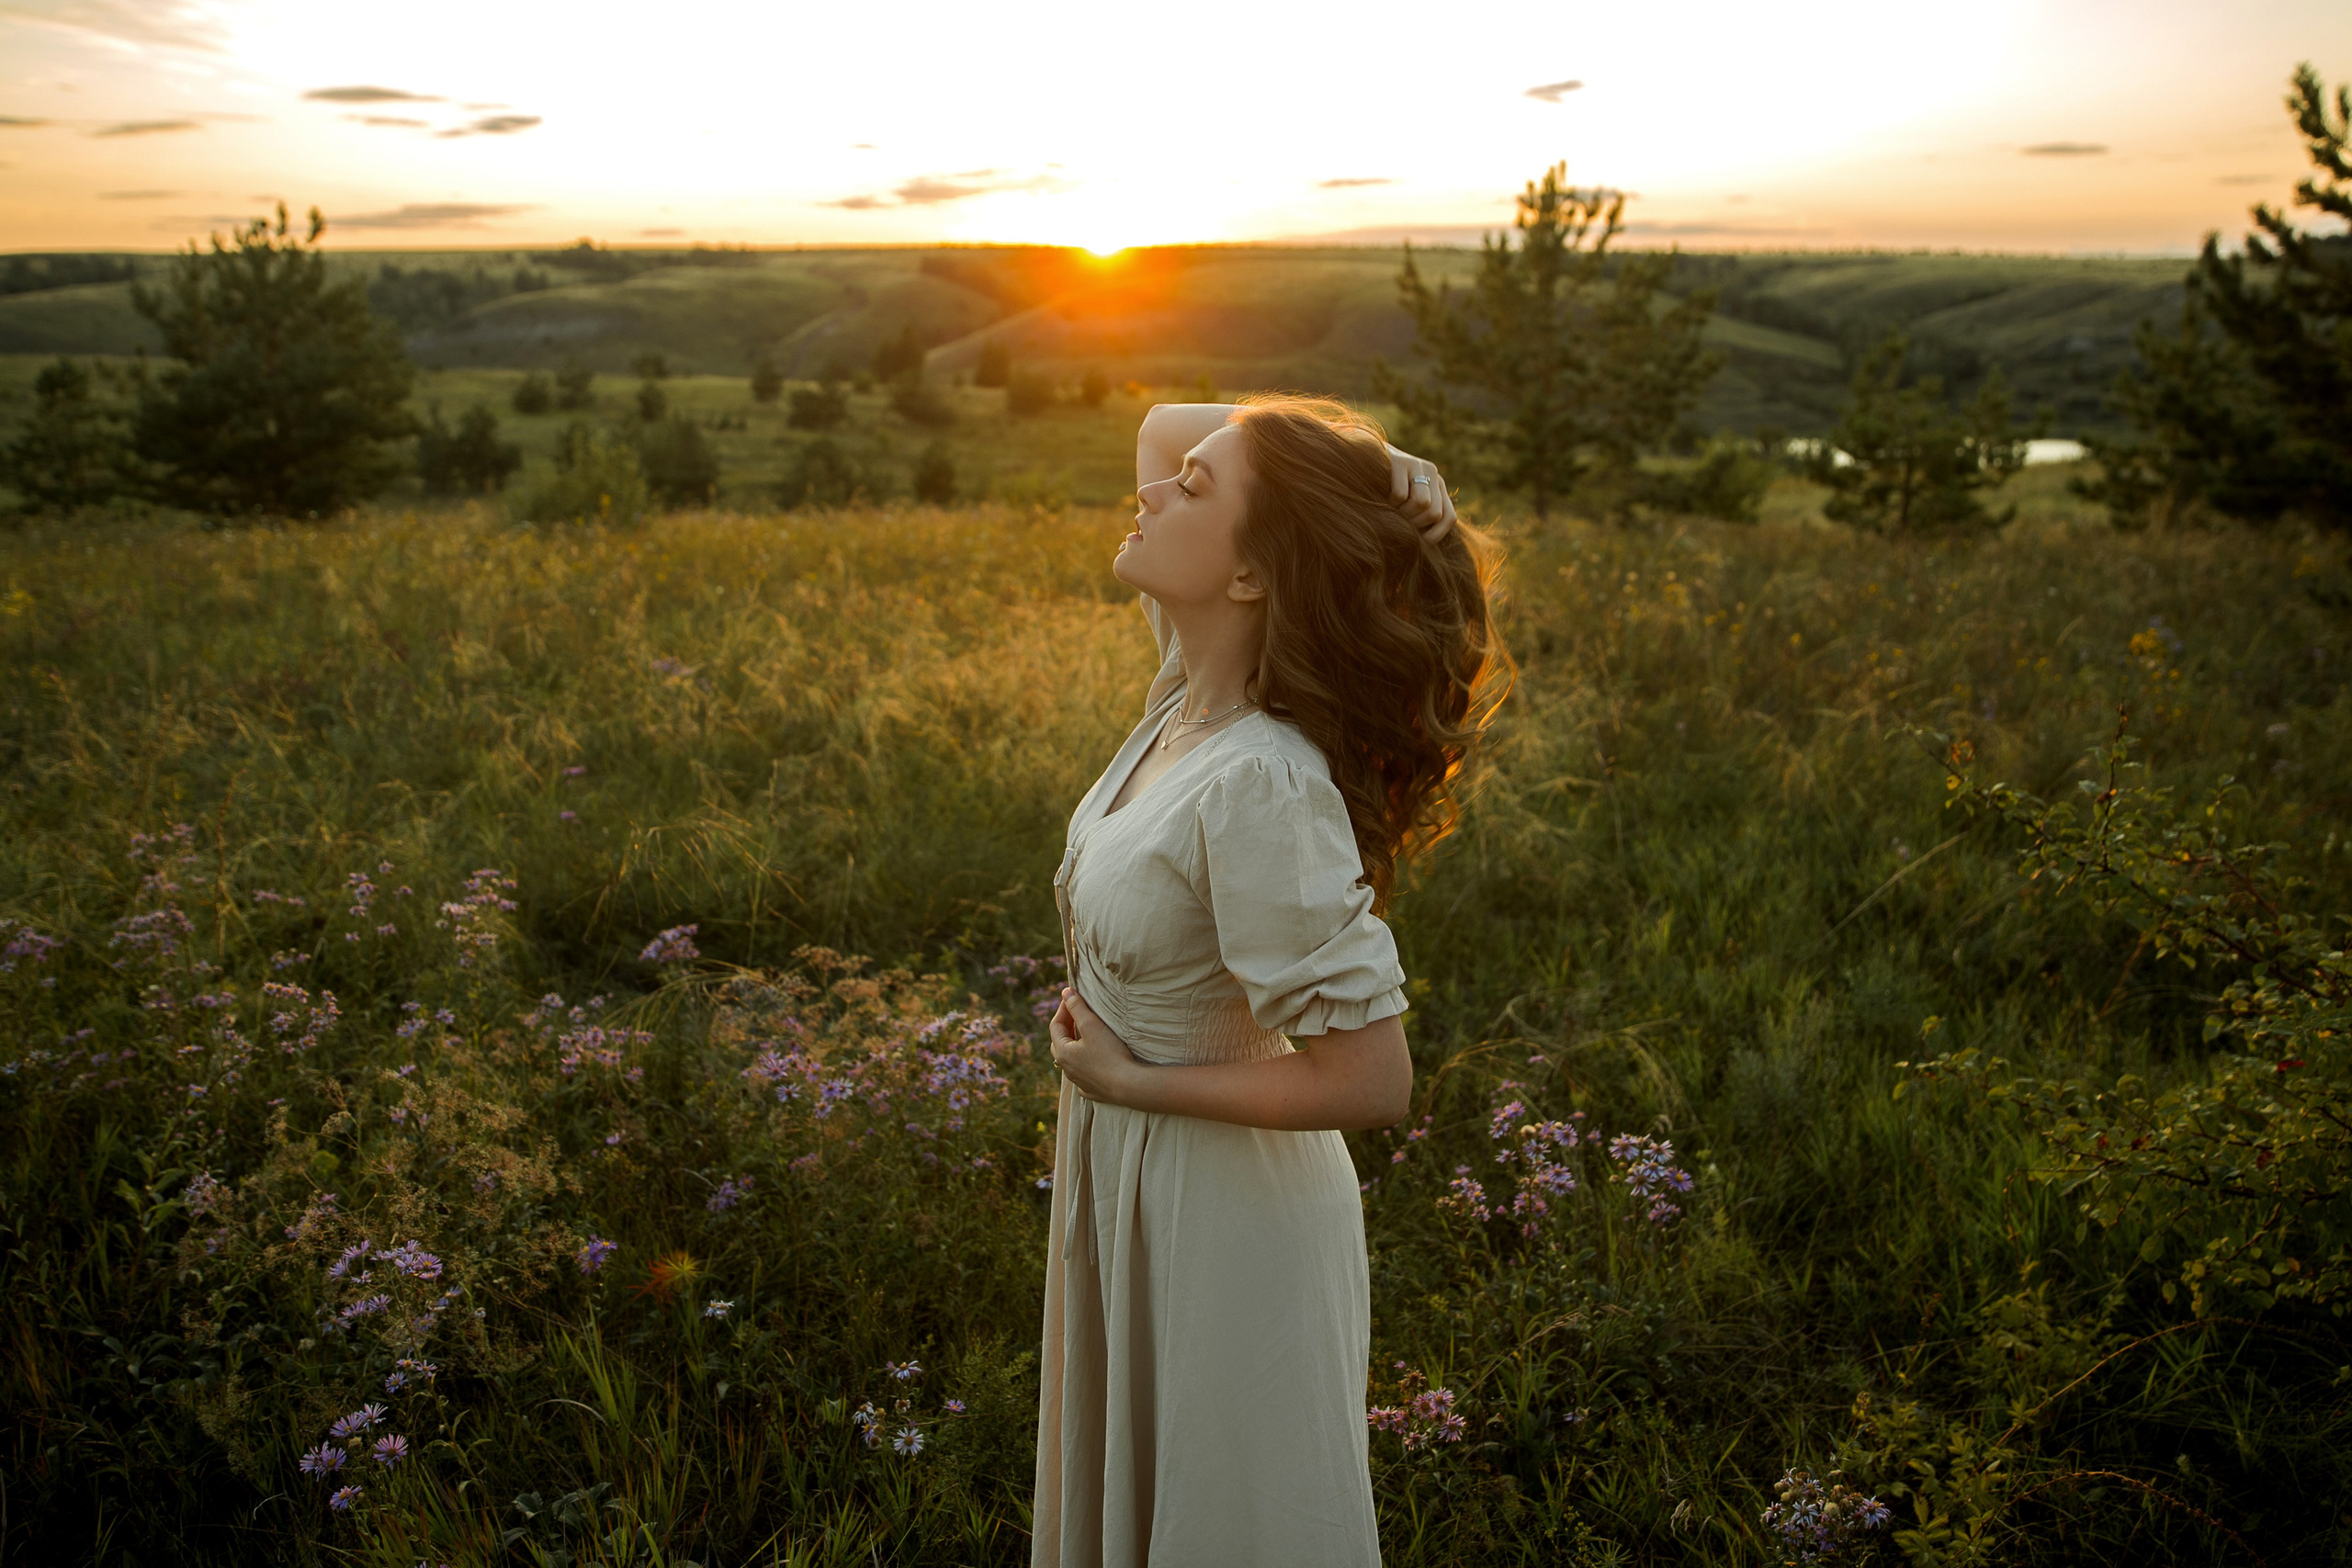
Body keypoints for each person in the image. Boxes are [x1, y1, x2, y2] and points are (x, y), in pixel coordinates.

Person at [1034, 395, 1506, 1567]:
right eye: (1175, 480)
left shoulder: (1265, 777)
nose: (1151, 489)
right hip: (1134, 1176)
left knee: (1231, 1521)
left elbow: (1371, 1079)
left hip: (1227, 1211)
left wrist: (1139, 1085)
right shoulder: (1184, 703)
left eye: (1193, 491)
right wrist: (1379, 466)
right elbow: (1160, 421)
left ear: (1251, 577)